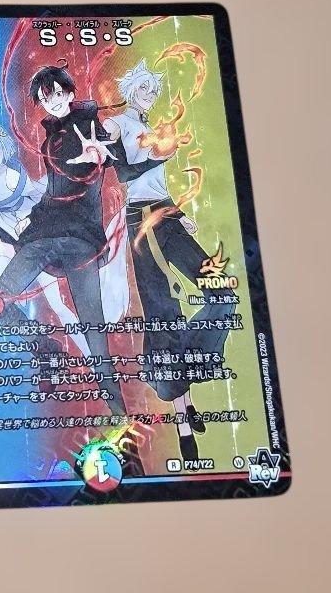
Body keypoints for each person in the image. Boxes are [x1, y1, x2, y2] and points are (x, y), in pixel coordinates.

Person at [0, 66, 163, 420]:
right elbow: (54, 190)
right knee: (2, 293)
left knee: (94, 334)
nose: (52, 101)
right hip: (47, 233)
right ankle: (30, 331)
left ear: (68, 91)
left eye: (57, 92)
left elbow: (119, 168)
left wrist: (107, 156)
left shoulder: (92, 125)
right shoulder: (50, 136)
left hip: (81, 238)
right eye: (45, 97)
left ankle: (119, 414)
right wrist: (32, 217)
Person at [105, 61, 235, 463]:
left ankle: (187, 375)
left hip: (165, 214)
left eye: (154, 90)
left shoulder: (152, 127)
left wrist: (179, 211)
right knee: (164, 312)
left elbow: (156, 184)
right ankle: (183, 419)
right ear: (131, 88)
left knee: (221, 293)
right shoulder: (119, 124)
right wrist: (152, 152)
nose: (150, 95)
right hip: (141, 222)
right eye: (144, 88)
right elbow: (124, 173)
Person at [0, 119, 92, 349]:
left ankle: (92, 355)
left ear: (1, 150)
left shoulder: (13, 175)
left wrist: (37, 217)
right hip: (1, 231)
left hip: (29, 231)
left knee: (57, 303)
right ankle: (43, 347)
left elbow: (40, 193)